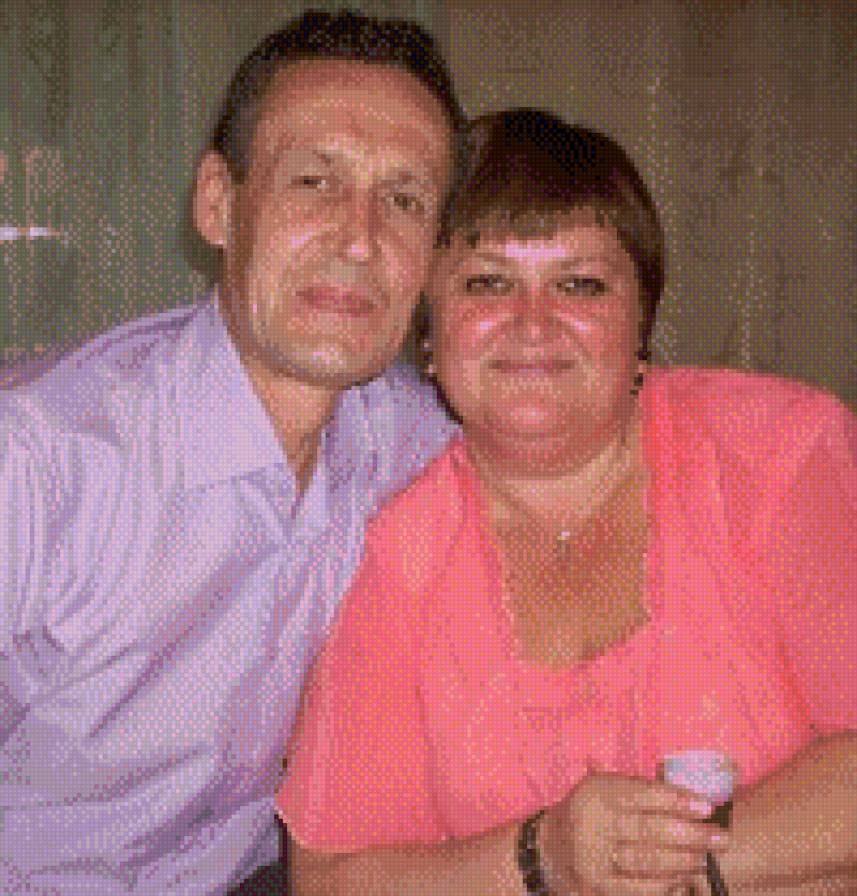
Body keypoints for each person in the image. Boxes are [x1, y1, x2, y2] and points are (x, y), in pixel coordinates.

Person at [277, 109, 857, 896]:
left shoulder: (776, 453)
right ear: (428, 330)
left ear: (640, 320)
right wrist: (543, 856)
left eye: (579, 284)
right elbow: (331, 878)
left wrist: (668, 867)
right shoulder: (400, 551)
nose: (532, 324)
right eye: (487, 283)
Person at [0, 9, 462, 895]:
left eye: (403, 200)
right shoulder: (41, 463)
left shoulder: (412, 440)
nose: (359, 238)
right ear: (218, 203)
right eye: (314, 181)